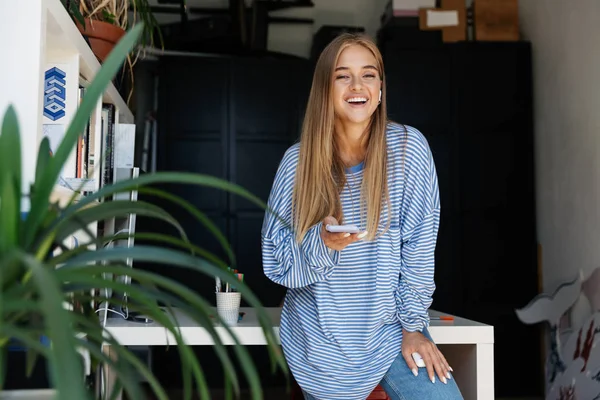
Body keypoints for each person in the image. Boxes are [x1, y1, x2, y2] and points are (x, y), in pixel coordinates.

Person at [261, 33, 463, 400]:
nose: (357, 86)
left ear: (381, 88)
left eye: (368, 75)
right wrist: (321, 243)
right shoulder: (298, 164)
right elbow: (276, 260)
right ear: (325, 88)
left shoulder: (408, 150)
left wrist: (414, 326)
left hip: (391, 329)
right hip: (319, 339)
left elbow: (419, 249)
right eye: (343, 75)